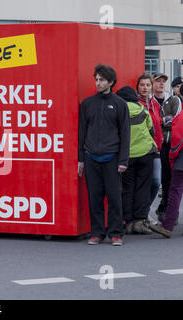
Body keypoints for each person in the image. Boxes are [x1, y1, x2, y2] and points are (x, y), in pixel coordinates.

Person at [78, 63, 130, 246]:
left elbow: (125, 134)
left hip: (112, 158)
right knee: (95, 197)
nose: (98, 83)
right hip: (91, 157)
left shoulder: (120, 105)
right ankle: (97, 233)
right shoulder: (87, 104)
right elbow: (82, 133)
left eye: (101, 80)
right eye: (96, 79)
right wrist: (81, 159)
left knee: (114, 198)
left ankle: (116, 234)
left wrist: (123, 161)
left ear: (111, 82)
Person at [116, 86, 156, 235]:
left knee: (127, 189)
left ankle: (128, 223)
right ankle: (139, 222)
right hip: (145, 153)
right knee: (143, 188)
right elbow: (151, 130)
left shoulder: (119, 111)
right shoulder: (143, 110)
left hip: (127, 156)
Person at [149, 101, 183, 238]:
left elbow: (177, 139)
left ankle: (167, 226)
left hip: (181, 159)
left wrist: (172, 156)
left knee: (175, 190)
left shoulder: (180, 116)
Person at [155, 74, 182, 222]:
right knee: (163, 180)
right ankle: (164, 208)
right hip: (159, 144)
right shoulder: (151, 101)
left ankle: (169, 211)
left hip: (172, 143)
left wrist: (162, 121)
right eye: (157, 81)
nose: (160, 84)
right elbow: (154, 122)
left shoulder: (174, 100)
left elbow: (175, 121)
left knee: (172, 179)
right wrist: (164, 120)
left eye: (162, 82)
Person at [136, 73, 163, 209]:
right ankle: (140, 215)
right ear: (138, 87)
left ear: (151, 87)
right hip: (141, 150)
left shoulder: (155, 104)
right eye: (142, 85)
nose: (145, 88)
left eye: (148, 85)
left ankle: (145, 212)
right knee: (141, 184)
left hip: (156, 150)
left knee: (156, 181)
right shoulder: (136, 104)